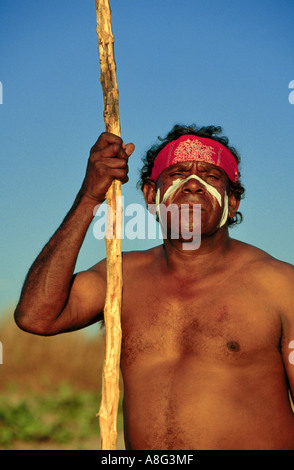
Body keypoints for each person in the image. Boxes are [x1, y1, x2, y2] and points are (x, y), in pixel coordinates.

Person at [14, 124, 294, 450]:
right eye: (177, 174)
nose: (193, 185)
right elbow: (36, 317)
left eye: (211, 176)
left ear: (232, 203)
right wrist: (89, 195)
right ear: (151, 196)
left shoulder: (279, 285)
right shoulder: (121, 277)